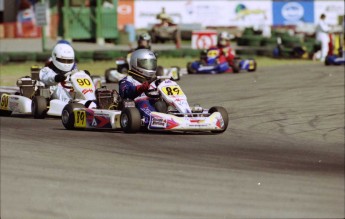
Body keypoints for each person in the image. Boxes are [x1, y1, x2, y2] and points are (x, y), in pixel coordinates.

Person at [119, 49, 166, 123]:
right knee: (144, 103)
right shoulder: (127, 80)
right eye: (146, 63)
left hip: (155, 104)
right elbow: (126, 92)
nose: (149, 66)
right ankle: (154, 120)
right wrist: (139, 88)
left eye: (151, 63)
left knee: (162, 103)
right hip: (135, 107)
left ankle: (181, 115)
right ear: (136, 63)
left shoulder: (155, 81)